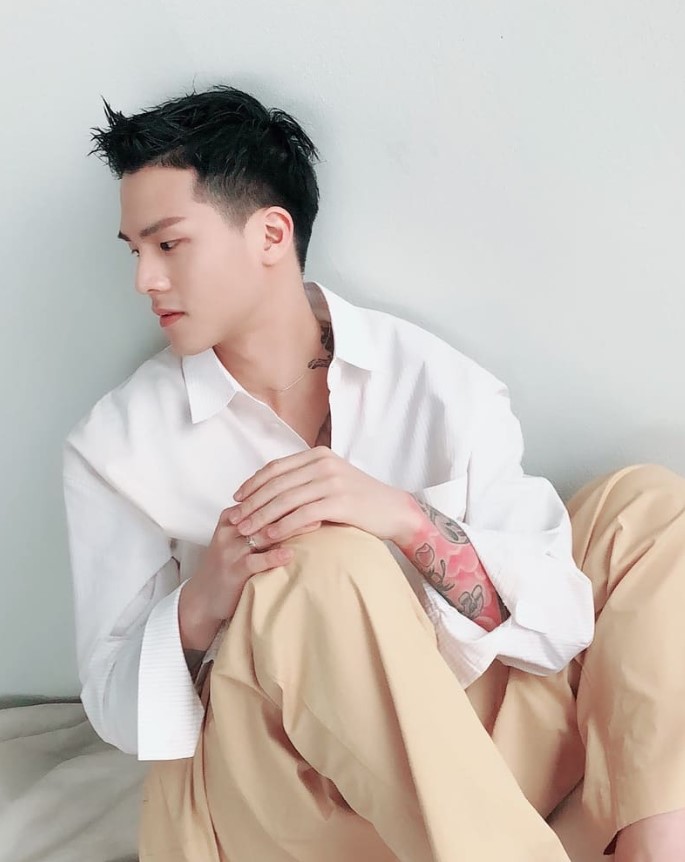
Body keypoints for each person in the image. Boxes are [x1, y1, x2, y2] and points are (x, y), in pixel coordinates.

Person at [62, 84, 685, 862]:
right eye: (136, 251)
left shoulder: (432, 380)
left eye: (168, 245)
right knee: (317, 562)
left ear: (271, 234)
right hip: (286, 802)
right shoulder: (116, 445)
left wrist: (405, 519)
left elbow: (558, 622)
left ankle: (653, 844)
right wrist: (206, 599)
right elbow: (117, 711)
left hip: (473, 769)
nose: (144, 280)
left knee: (645, 507)